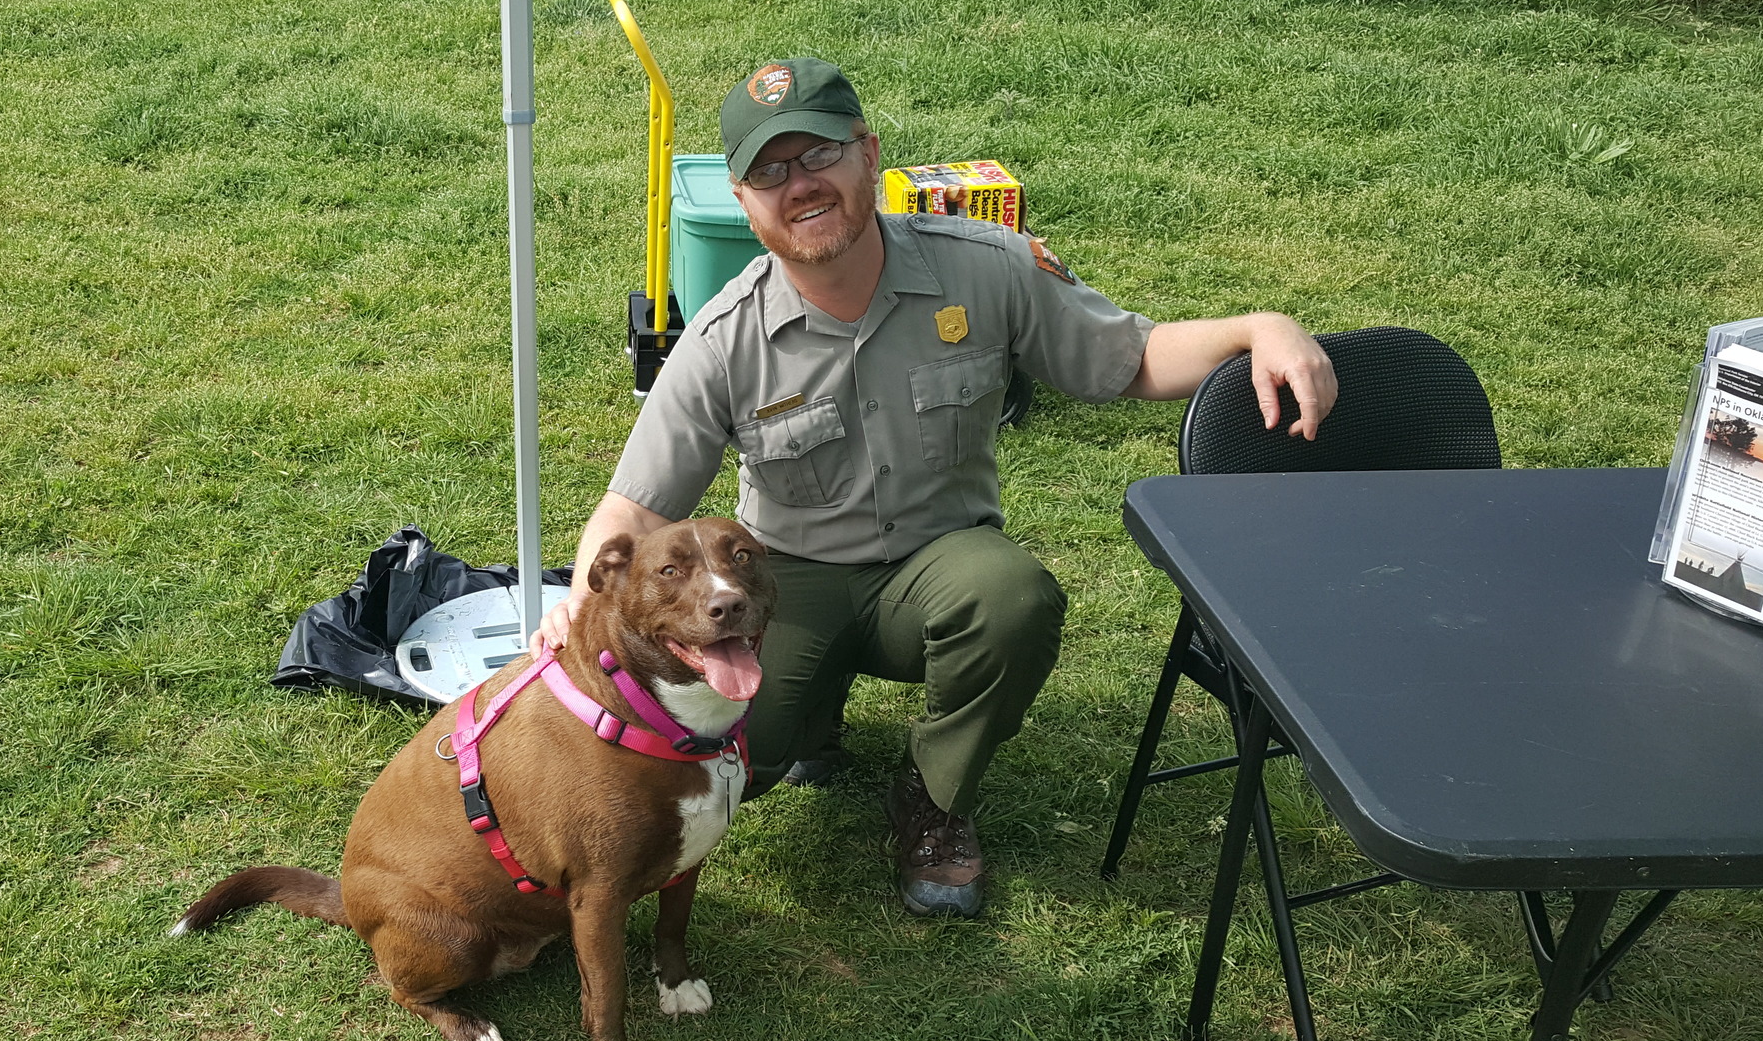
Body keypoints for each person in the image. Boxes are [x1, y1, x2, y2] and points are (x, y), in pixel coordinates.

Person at [533, 58, 1334, 917]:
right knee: (736, 753)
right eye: (770, 171)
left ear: (868, 153)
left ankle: (934, 795)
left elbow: (1130, 357)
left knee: (1011, 599)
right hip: (786, 586)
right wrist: (575, 611)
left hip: (939, 566)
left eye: (819, 156)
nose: (799, 186)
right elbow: (638, 505)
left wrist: (1262, 326)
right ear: (742, 201)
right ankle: (810, 718)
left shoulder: (986, 268)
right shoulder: (725, 337)